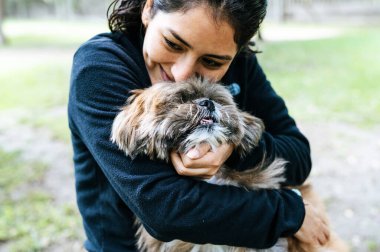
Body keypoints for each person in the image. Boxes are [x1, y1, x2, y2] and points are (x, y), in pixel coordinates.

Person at [68, 0, 330, 251]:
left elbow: (298, 155)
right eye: (172, 43)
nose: (182, 74)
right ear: (149, 8)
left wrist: (234, 147)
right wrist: (287, 212)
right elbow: (164, 209)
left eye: (212, 62)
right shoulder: (99, 66)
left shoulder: (242, 65)